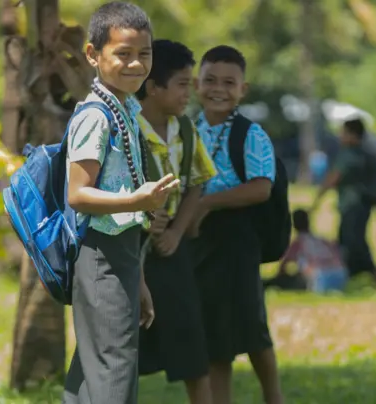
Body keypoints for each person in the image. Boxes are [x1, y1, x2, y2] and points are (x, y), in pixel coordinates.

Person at [62, 3, 181, 403]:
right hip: (100, 256)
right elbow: (78, 194)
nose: (135, 64)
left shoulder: (125, 108)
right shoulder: (96, 116)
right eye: (122, 54)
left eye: (143, 54)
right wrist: (138, 199)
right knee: (114, 367)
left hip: (123, 254)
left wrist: (139, 280)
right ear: (94, 55)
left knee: (96, 368)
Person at [187, 45, 284, 404]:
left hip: (238, 241)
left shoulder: (251, 134)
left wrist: (207, 203)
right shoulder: (188, 130)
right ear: (196, 83)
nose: (218, 89)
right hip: (199, 242)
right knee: (213, 335)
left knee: (251, 327)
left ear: (243, 89)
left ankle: (274, 396)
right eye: (210, 80)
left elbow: (261, 188)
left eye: (229, 82)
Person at [134, 39, 217, 404]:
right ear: (153, 87)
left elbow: (199, 181)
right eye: (183, 83)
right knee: (122, 354)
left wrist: (177, 232)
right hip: (130, 255)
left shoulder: (185, 130)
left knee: (193, 352)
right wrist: (140, 220)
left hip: (172, 254)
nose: (191, 92)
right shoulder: (125, 130)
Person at [311, 119, 376, 287]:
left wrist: (317, 201)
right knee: (354, 240)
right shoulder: (370, 155)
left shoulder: (349, 154)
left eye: (343, 133)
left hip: (351, 206)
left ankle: (373, 278)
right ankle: (358, 277)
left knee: (351, 242)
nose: (340, 136)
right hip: (365, 206)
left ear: (352, 134)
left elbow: (333, 177)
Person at [263, 209, 347, 293]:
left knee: (299, 268)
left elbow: (283, 265)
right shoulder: (322, 240)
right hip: (340, 275)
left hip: (319, 278)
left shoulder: (298, 243)